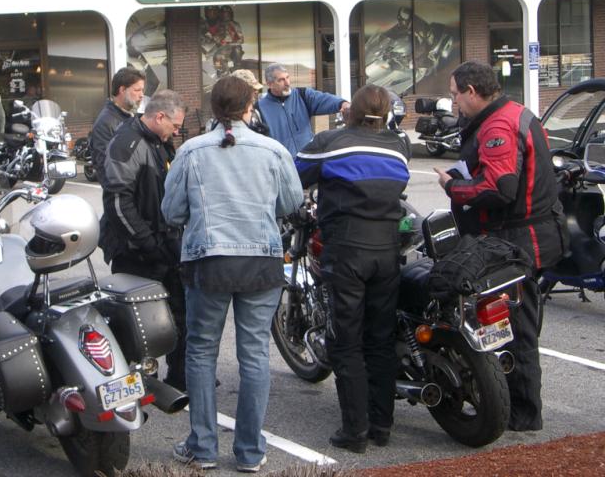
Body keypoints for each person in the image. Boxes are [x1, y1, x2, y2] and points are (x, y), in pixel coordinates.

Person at [162, 76, 303, 472]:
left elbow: (171, 212)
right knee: (254, 353)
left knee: (201, 350)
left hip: (208, 262)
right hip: (261, 261)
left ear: (213, 108)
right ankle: (250, 452)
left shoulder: (191, 151)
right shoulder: (273, 150)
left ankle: (202, 447)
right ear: (249, 108)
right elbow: (291, 201)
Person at [434, 61, 568, 432]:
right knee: (512, 322)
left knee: (516, 328)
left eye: (455, 94)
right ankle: (509, 401)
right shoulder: (514, 113)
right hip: (524, 235)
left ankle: (522, 413)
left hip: (517, 240)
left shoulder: (499, 125)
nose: (454, 102)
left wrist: (453, 186)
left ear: (471, 91)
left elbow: (499, 187)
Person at [296, 84, 410, 453]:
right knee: (380, 339)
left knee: (346, 341)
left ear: (352, 111)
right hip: (387, 249)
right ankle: (382, 425)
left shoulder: (331, 142)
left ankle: (355, 431)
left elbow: (294, 175)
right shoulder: (399, 145)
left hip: (346, 249)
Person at [99, 89, 188, 390]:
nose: (177, 132)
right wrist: (147, 243)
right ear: (159, 116)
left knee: (180, 312)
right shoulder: (127, 143)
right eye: (175, 126)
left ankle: (180, 377)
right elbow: (117, 202)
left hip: (164, 242)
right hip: (134, 250)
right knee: (134, 323)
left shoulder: (160, 142)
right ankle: (132, 384)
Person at [257, 63, 349, 156]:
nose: (287, 83)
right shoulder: (260, 109)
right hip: (284, 163)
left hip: (308, 159)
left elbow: (323, 99)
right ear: (270, 84)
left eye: (287, 77)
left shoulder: (302, 95)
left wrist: (342, 103)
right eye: (281, 80)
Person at [90, 66, 146, 178]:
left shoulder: (133, 116)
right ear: (122, 90)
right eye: (137, 90)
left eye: (142, 90)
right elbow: (104, 167)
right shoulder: (105, 123)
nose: (141, 95)